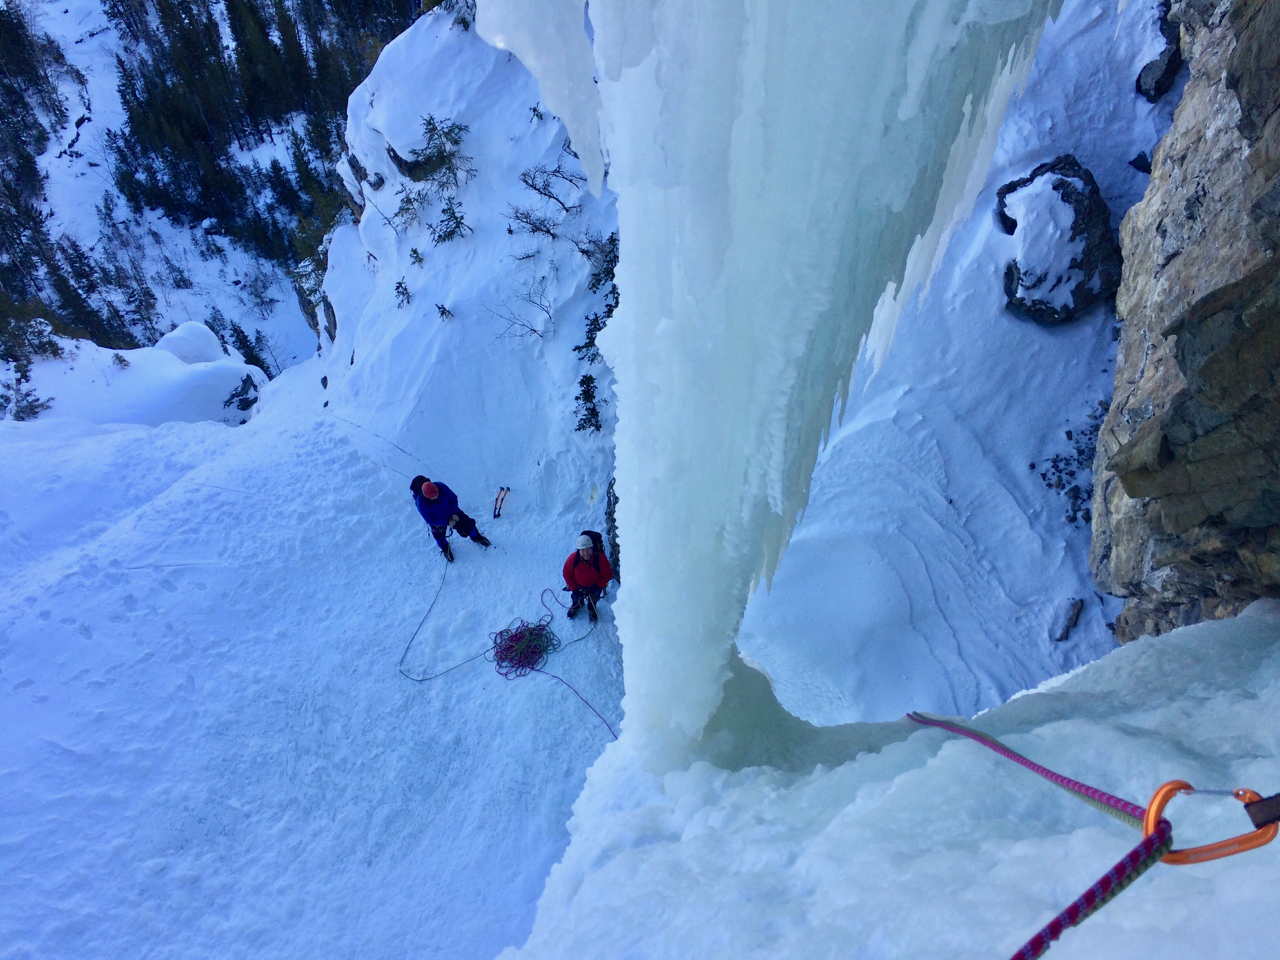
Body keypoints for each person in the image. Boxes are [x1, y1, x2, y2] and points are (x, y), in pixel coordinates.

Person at [410, 475, 490, 561]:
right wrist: (447, 522)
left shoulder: (441, 486)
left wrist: (454, 512)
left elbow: (453, 498)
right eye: (433, 497)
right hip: (438, 520)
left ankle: (476, 537)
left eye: (436, 494)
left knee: (468, 523)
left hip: (452, 511)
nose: (436, 497)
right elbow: (430, 520)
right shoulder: (421, 503)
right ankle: (445, 549)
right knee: (439, 536)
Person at [562, 532, 612, 622]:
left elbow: (608, 574)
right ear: (578, 550)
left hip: (594, 586)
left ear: (592, 548)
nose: (586, 553)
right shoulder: (573, 559)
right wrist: (574, 589)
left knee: (594, 598)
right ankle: (577, 605)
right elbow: (567, 573)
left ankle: (591, 608)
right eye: (582, 550)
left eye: (588, 549)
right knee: (576, 598)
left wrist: (597, 586)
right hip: (578, 586)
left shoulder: (600, 559)